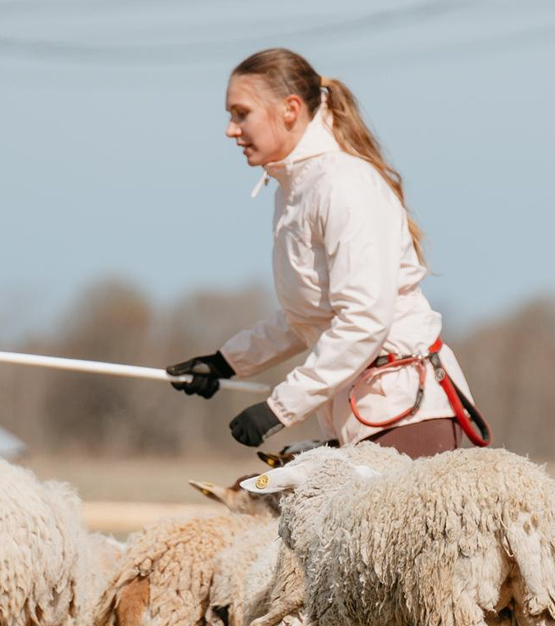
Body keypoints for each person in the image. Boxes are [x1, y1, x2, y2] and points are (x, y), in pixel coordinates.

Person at [167, 47, 486, 460]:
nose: (231, 129)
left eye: (241, 113)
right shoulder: (294, 190)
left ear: (290, 109)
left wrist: (280, 408)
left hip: (404, 415)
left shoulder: (343, 186)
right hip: (362, 416)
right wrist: (226, 362)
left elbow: (364, 320)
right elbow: (311, 312)